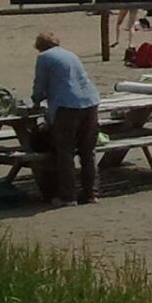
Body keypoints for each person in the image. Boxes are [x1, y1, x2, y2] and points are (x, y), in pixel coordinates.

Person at [30, 30, 101, 204]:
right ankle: (91, 193)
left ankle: (68, 196)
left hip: (67, 106)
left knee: (65, 151)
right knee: (87, 151)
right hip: (90, 101)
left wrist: (36, 102)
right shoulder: (71, 55)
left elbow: (40, 85)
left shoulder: (44, 58)